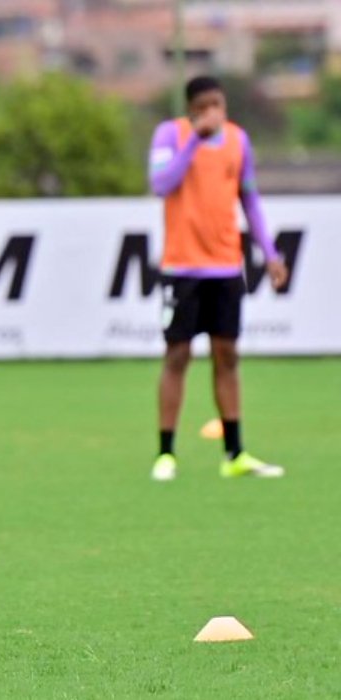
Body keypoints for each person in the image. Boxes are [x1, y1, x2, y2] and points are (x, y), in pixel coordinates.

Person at [147, 75, 289, 482]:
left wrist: (270, 252)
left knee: (227, 356)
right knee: (177, 356)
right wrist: (194, 140)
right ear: (192, 108)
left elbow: (251, 199)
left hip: (226, 266)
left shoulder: (238, 141)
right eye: (207, 105)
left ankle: (234, 453)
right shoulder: (169, 135)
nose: (215, 113)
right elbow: (161, 184)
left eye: (220, 105)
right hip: (182, 268)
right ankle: (165, 453)